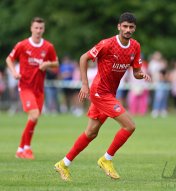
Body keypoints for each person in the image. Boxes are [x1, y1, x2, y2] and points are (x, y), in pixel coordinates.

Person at [54, 12, 151, 181]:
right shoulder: (107, 44)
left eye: (131, 27)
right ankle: (106, 159)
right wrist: (84, 84)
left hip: (109, 93)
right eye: (125, 26)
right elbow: (84, 58)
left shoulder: (135, 46)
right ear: (119, 27)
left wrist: (141, 75)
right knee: (130, 126)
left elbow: (135, 72)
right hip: (99, 92)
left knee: (91, 133)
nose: (128, 30)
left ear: (134, 28)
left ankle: (63, 164)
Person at [6, 17, 58, 159]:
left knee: (33, 118)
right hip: (25, 87)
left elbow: (56, 63)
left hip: (39, 89)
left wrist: (47, 64)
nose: (38, 31)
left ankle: (20, 150)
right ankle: (27, 149)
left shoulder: (48, 47)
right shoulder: (22, 45)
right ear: (31, 28)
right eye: (36, 28)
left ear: (44, 29)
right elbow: (9, 59)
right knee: (34, 115)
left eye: (41, 28)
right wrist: (14, 72)